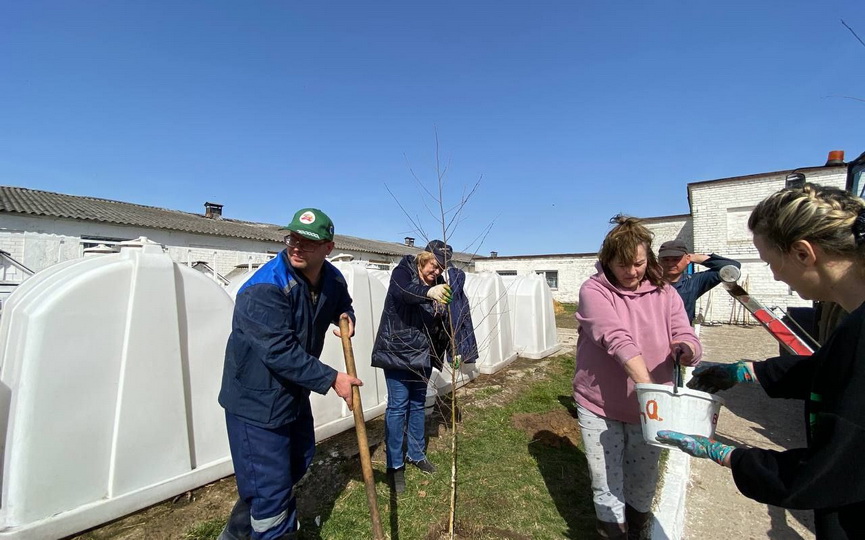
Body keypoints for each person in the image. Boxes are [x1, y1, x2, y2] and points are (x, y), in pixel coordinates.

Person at [658, 184, 865, 539]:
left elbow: (824, 473)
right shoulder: (854, 326)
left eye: (771, 262)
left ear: (803, 253)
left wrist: (726, 454)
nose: (775, 276)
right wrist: (747, 372)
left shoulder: (859, 333)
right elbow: (828, 370)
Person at [217, 208, 363, 540]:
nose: (296, 247)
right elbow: (278, 351)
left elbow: (342, 301)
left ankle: (237, 534)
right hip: (256, 401)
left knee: (297, 460)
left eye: (307, 242)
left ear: (328, 247)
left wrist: (344, 314)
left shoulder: (332, 278)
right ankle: (275, 531)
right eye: (292, 238)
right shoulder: (265, 288)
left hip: (292, 393)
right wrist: (332, 378)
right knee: (271, 490)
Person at [574, 216, 702, 539]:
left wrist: (687, 349)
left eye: (639, 263)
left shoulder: (665, 293)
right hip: (599, 405)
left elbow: (684, 332)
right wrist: (648, 388)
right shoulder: (593, 291)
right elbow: (617, 339)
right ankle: (613, 532)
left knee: (643, 479)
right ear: (607, 261)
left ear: (649, 260)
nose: (632, 272)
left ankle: (638, 528)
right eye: (623, 265)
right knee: (606, 482)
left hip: (650, 410)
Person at [371, 240, 477, 494]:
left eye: (441, 268)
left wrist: (455, 349)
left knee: (418, 403)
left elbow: (446, 322)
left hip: (424, 356)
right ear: (423, 258)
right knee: (398, 406)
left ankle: (416, 454)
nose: (437, 271)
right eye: (434, 264)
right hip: (397, 351)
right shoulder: (404, 270)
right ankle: (394, 464)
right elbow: (402, 292)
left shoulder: (440, 285)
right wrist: (428, 293)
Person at [657, 239, 741, 323]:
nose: (670, 264)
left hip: (681, 334)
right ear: (659, 260)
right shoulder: (650, 283)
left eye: (676, 259)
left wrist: (694, 257)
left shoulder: (694, 282)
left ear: (687, 258)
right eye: (665, 259)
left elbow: (732, 267)